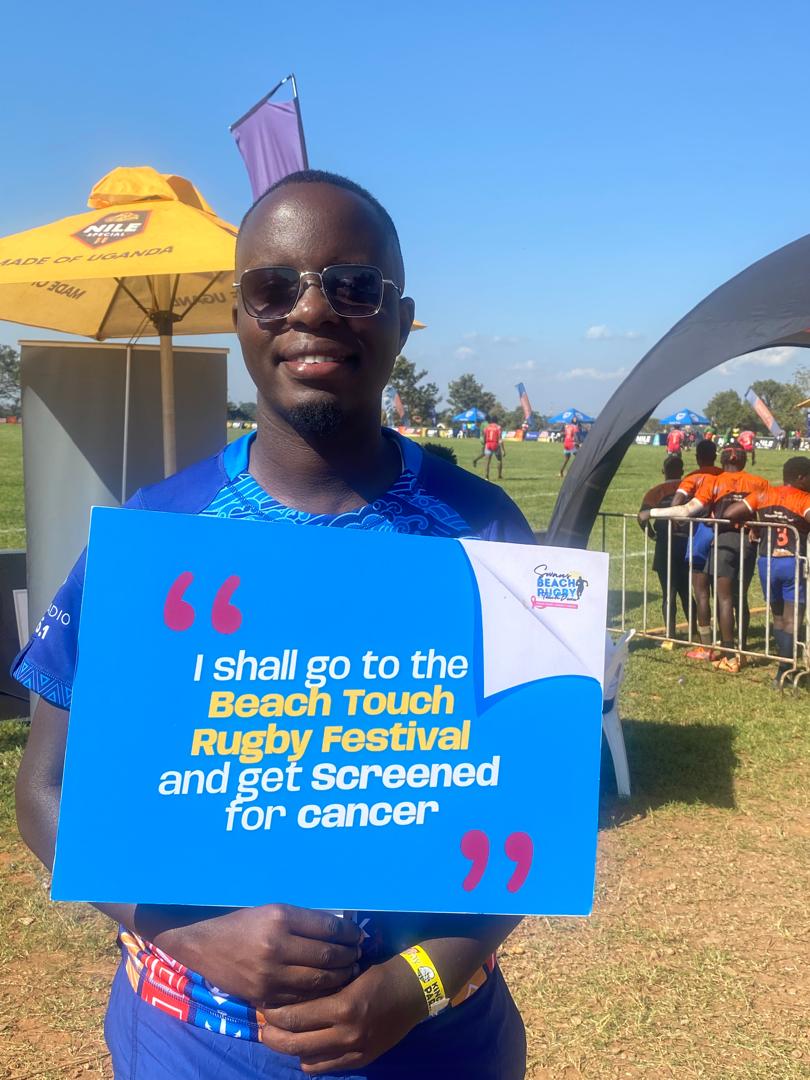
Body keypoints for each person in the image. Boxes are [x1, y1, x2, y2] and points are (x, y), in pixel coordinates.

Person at [12, 171, 534, 1080]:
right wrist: (182, 925)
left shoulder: (486, 532)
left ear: (402, 318)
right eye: (274, 287)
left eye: (354, 285)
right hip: (193, 1045)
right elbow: (48, 789)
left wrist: (415, 985)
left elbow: (537, 805)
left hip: (438, 1044)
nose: (313, 310)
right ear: (241, 314)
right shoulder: (156, 540)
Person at [647, 444, 768, 673]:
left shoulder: (708, 480)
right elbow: (763, 512)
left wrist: (657, 516)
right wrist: (757, 531)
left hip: (712, 537)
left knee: (709, 593)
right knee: (739, 595)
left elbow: (684, 507)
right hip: (747, 542)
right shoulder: (759, 482)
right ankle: (740, 647)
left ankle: (712, 647)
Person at [725, 457, 810, 685]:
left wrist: (755, 522)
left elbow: (731, 512)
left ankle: (782, 667)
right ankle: (785, 670)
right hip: (793, 561)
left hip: (767, 562)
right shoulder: (803, 499)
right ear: (801, 477)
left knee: (778, 617)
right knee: (793, 619)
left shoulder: (763, 495)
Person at [637, 455, 695, 640]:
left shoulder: (655, 492)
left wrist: (652, 534)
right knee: (687, 591)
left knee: (668, 592)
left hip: (665, 545)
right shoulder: (690, 489)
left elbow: (642, 517)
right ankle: (695, 631)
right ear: (683, 471)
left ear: (663, 471)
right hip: (688, 544)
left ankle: (670, 635)